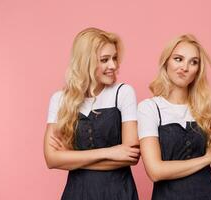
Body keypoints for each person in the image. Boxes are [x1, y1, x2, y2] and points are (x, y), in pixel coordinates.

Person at [138, 34, 211, 200]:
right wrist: (207, 158)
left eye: (193, 62)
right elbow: (155, 171)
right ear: (166, 62)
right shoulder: (149, 108)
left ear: (197, 70)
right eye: (178, 59)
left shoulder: (208, 108)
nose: (185, 67)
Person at [44, 27, 140, 200]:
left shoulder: (123, 92)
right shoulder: (60, 99)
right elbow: (52, 159)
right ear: (85, 62)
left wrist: (71, 159)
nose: (113, 65)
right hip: (77, 193)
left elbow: (130, 156)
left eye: (115, 58)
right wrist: (110, 152)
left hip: (119, 193)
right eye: (104, 60)